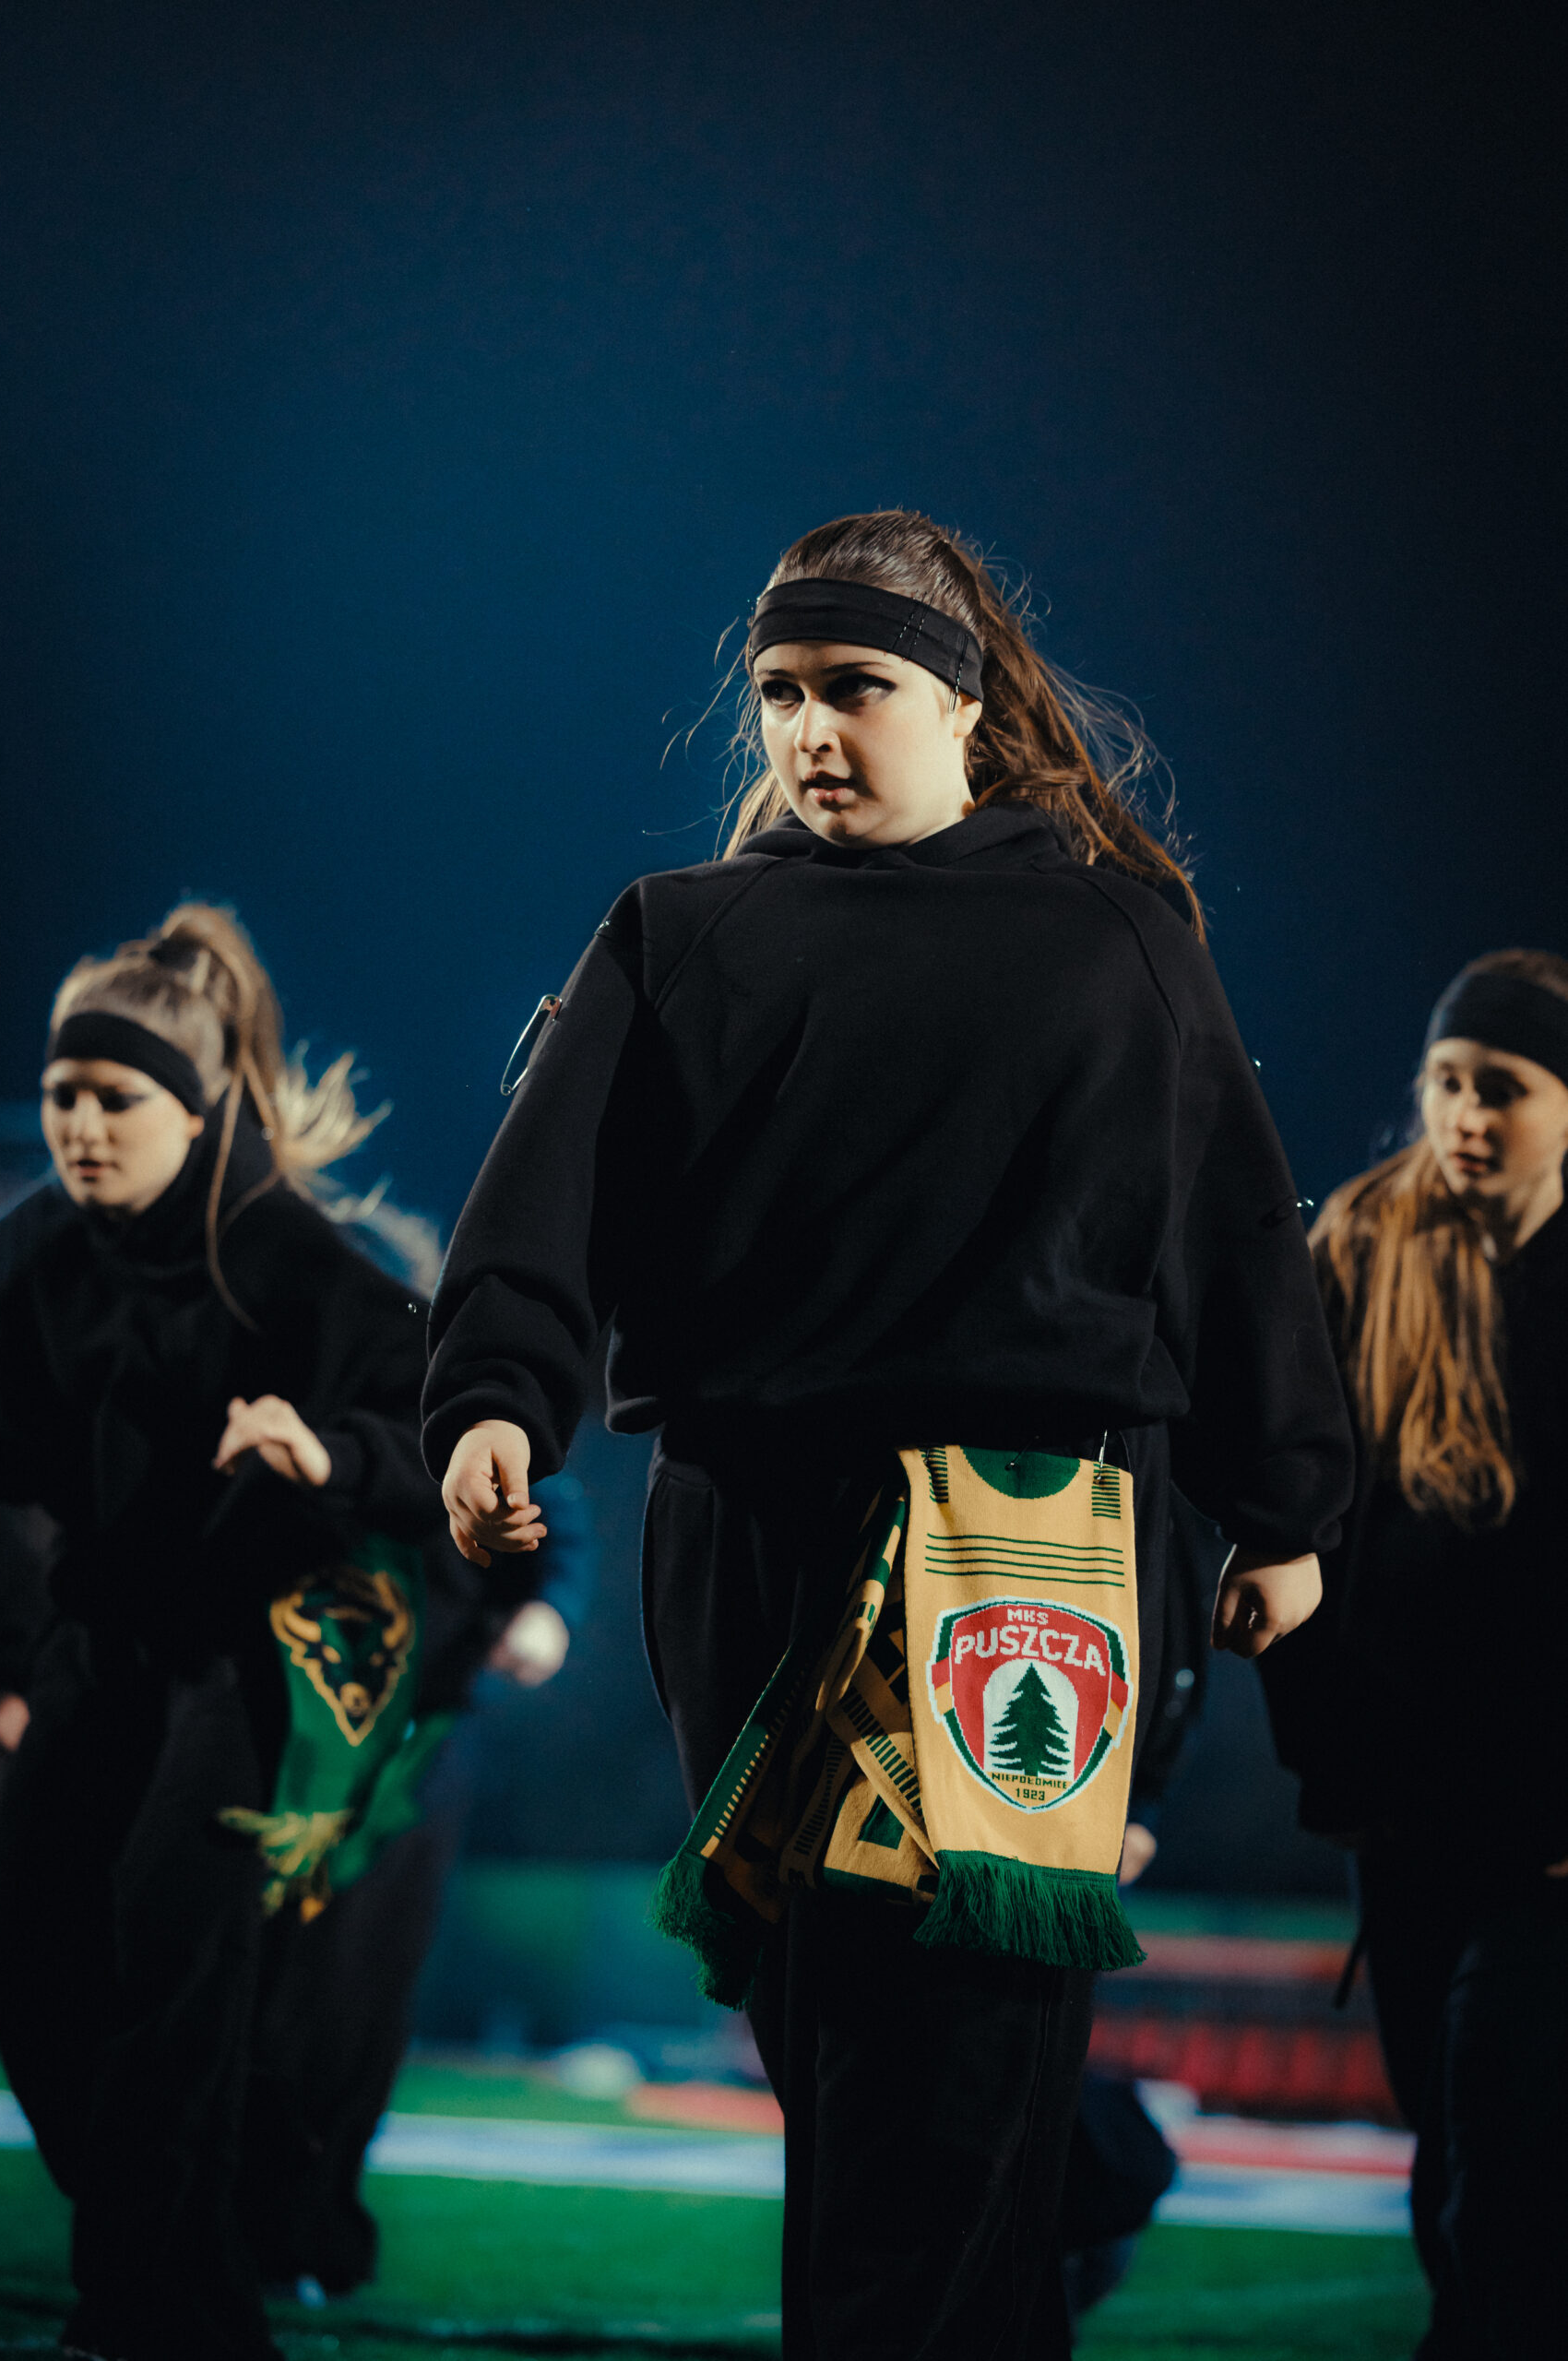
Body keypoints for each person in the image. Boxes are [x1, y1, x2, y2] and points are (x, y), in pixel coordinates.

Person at [423, 509, 1354, 2360]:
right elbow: (542, 1205)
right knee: (842, 2050)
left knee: (951, 2065)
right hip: (745, 1532)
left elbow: (1234, 1238)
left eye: (852, 684)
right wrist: (493, 1399)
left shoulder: (1117, 940)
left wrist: (1284, 1505)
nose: (807, 728)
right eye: (778, 692)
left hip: (1029, 1537)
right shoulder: (680, 934)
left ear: (963, 700)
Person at [0, 903, 539, 2361]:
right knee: (32, 1964)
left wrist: (328, 1453)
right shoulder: (35, 1253)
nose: (81, 1127)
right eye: (61, 1095)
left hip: (250, 1665)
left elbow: (450, 1439)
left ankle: (148, 2307)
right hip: (96, 1651)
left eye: (116, 1099)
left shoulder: (285, 1250)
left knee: (175, 1975)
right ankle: (179, 2288)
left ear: (194, 1109)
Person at [1260, 949, 1568, 2359]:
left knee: (1508, 2162)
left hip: (1551, 1832)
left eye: (1502, 1087)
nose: (1465, 1114)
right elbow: (1292, 1520)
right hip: (1403, 1807)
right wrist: (1332, 1755)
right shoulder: (1358, 1250)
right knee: (1446, 2151)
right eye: (1446, 1081)